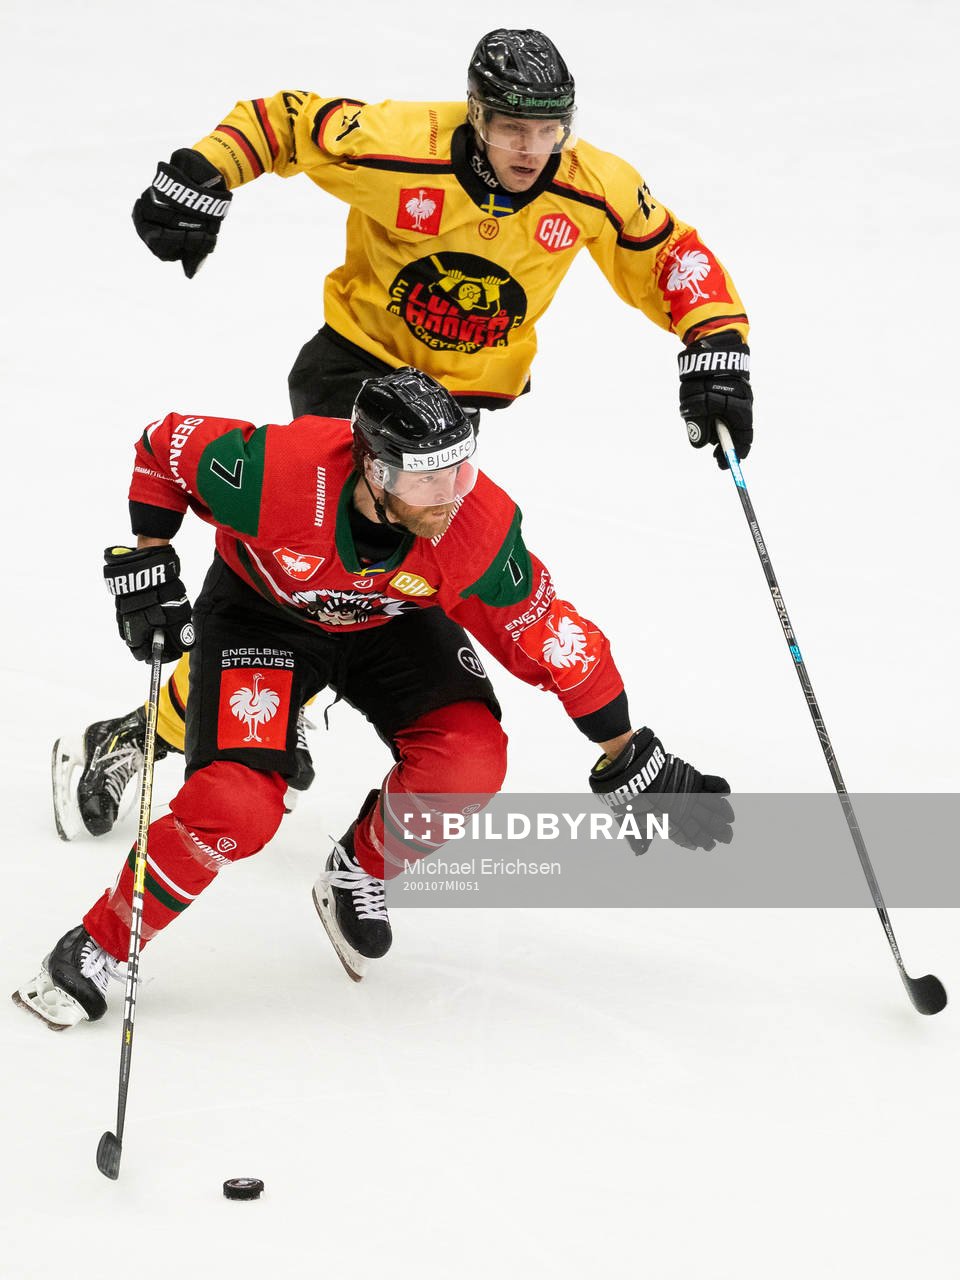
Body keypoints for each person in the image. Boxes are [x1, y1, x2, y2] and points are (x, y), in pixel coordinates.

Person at [53, 27, 753, 838]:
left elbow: (667, 249)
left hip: (452, 417)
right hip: (354, 386)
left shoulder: (592, 186)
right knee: (334, 584)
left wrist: (717, 342)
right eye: (511, 129)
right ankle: (188, 724)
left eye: (549, 129)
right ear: (476, 114)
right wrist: (207, 169)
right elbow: (286, 120)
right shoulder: (399, 146)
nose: (532, 149)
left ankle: (211, 714)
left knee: (367, 588)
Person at [17, 369, 733, 1028]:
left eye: (462, 468)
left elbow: (546, 633)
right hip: (267, 616)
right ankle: (96, 946)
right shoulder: (278, 475)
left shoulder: (471, 525)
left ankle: (359, 868)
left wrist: (627, 752)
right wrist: (149, 554)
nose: (452, 495)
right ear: (374, 469)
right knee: (236, 806)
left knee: (471, 762)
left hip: (390, 621)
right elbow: (161, 447)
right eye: (428, 482)